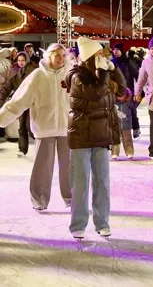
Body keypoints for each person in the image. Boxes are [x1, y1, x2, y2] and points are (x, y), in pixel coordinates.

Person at [67, 37, 127, 238]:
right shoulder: (77, 76)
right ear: (88, 57)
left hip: (102, 135)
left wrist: (112, 68)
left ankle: (102, 222)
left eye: (102, 54)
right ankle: (78, 225)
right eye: (98, 54)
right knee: (81, 183)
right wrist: (104, 73)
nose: (102, 57)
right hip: (82, 135)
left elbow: (122, 88)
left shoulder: (104, 73)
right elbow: (96, 93)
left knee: (102, 181)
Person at [0, 44, 72, 211]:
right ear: (48, 56)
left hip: (68, 128)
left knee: (70, 165)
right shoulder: (37, 76)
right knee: (42, 166)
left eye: (62, 55)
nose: (60, 58)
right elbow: (18, 101)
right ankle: (39, 199)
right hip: (44, 127)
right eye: (56, 55)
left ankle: (71, 197)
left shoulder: (70, 74)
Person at [0, 51, 37, 156]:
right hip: (20, 102)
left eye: (23, 60)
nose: (21, 62)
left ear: (27, 60)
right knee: (22, 127)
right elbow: (7, 88)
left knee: (30, 126)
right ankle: (22, 149)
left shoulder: (34, 71)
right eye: (19, 60)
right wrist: (1, 101)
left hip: (32, 102)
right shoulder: (14, 72)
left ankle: (41, 143)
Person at [111, 43, 140, 138]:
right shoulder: (112, 62)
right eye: (114, 49)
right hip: (117, 91)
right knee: (117, 110)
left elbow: (136, 75)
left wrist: (138, 90)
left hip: (129, 90)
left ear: (122, 50)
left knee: (131, 109)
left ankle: (136, 128)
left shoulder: (128, 61)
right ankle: (118, 131)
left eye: (117, 49)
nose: (115, 51)